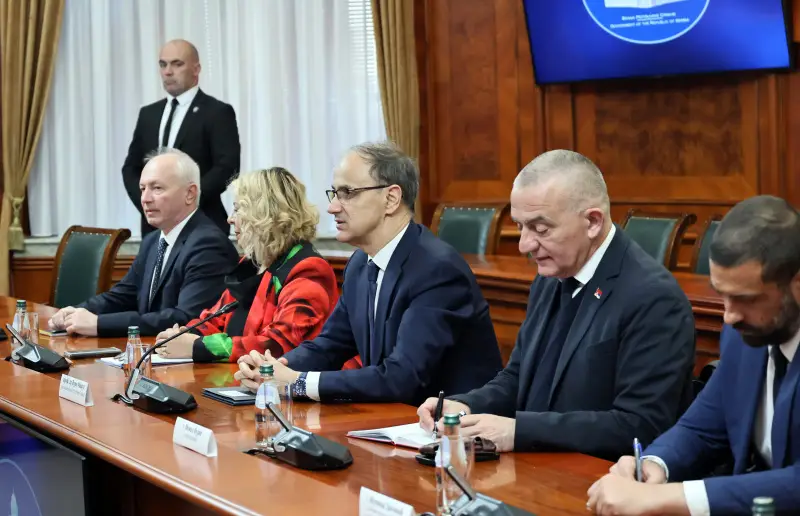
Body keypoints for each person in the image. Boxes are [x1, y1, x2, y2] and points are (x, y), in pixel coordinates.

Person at [417, 149, 696, 460]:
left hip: (602, 476)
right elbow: (520, 376)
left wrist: (518, 431)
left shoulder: (653, 297)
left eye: (541, 229)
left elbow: (639, 425)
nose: (524, 244)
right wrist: (466, 405)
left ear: (592, 222)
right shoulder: (551, 276)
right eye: (520, 226)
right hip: (538, 469)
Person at [234, 141, 503, 405]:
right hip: (395, 420)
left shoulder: (436, 269)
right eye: (334, 194)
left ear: (391, 199)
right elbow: (330, 345)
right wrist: (272, 368)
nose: (332, 207)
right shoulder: (360, 263)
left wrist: (298, 382)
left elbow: (402, 376)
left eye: (347, 193)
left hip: (451, 427)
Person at [588, 195, 800, 515]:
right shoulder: (744, 332)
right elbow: (703, 427)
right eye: (723, 295)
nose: (729, 316)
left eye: (746, 298)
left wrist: (670, 497)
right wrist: (656, 465)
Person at [152, 167, 358, 369]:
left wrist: (199, 347)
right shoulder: (254, 264)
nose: (230, 219)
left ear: (266, 214)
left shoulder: (308, 269)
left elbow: (278, 345)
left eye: (238, 209)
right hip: (241, 378)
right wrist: (182, 335)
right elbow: (214, 319)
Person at [48, 149, 239, 337]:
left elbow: (187, 318)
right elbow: (123, 295)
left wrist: (99, 324)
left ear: (190, 193)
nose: (145, 199)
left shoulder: (208, 244)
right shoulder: (152, 241)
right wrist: (75, 313)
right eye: (142, 189)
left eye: (157, 188)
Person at [121, 39, 240, 236]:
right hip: (154, 230)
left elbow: (227, 167)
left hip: (202, 224)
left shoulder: (217, 112)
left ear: (196, 69)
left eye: (177, 64)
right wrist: (148, 201)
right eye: (163, 64)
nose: (168, 72)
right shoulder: (148, 114)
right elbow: (131, 168)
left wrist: (185, 201)